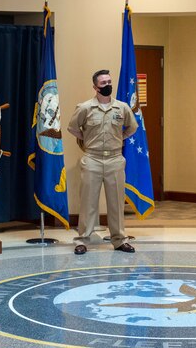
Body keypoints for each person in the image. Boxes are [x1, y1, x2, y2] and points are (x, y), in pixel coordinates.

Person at [67, 69, 138, 255]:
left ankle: (119, 240)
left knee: (116, 203)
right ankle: (82, 240)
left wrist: (119, 138)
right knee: (88, 203)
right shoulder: (85, 108)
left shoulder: (122, 107)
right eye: (103, 83)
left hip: (115, 159)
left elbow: (132, 127)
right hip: (92, 159)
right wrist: (87, 139)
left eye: (109, 82)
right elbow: (72, 128)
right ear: (95, 87)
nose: (107, 85)